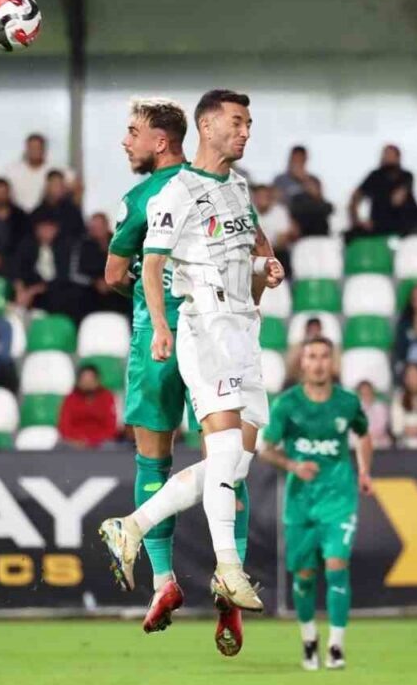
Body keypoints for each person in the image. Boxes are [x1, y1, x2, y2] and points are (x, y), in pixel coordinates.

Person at [98, 88, 284, 627]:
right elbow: (159, 263)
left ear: (161, 141)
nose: (125, 142)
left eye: (132, 133)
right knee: (226, 460)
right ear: (204, 128)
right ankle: (228, 579)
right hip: (201, 331)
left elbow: (117, 274)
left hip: (204, 335)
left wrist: (259, 276)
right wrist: (169, 315)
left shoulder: (194, 192)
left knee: (192, 460)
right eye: (238, 123)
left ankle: (152, 561)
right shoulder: (181, 191)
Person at [258, 337, 373, 670]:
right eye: (312, 356)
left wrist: (364, 471)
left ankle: (336, 646)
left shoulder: (347, 402)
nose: (319, 363)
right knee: (305, 577)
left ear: (332, 362)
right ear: (302, 362)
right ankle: (309, 638)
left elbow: (364, 434)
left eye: (324, 356)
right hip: (301, 503)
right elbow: (266, 449)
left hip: (338, 498)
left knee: (337, 566)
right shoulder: (287, 404)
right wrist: (293, 465)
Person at [348, 144, 417, 237]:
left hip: (404, 223)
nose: (388, 157)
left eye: (391, 155)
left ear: (398, 157)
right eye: (386, 154)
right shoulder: (374, 176)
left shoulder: (406, 176)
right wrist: (356, 220)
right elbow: (356, 197)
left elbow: (399, 197)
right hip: (379, 224)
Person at [5, 133, 77, 213]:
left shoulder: (57, 167)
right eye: (32, 147)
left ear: (44, 149)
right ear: (26, 149)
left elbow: (77, 186)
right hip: (19, 216)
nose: (35, 151)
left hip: (49, 215)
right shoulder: (12, 170)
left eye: (38, 147)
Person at [56, 364, 119, 449]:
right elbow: (64, 426)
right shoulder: (70, 399)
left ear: (97, 381)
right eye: (84, 380)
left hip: (100, 443)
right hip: (74, 443)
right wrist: (76, 441)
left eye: (91, 380)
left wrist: (92, 441)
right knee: (60, 446)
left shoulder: (107, 397)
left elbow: (111, 427)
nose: (88, 383)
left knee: (111, 446)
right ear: (79, 381)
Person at [288, 175, 334, 240]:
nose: (310, 187)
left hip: (323, 238)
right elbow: (301, 211)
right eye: (308, 185)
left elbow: (329, 209)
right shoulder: (298, 199)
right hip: (304, 238)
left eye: (313, 185)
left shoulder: (324, 203)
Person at [357, 380, 392, 450]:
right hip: (360, 444)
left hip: (380, 444)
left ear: (373, 392)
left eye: (368, 392)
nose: (366, 395)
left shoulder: (381, 407)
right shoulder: (355, 409)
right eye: (363, 393)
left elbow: (381, 429)